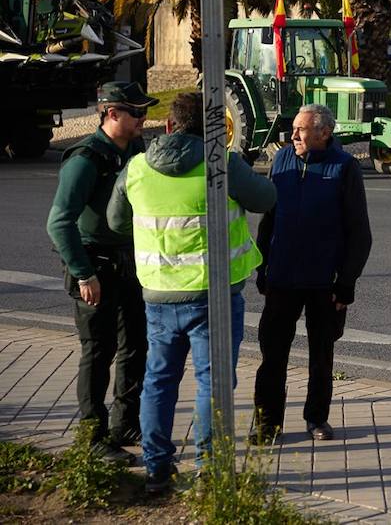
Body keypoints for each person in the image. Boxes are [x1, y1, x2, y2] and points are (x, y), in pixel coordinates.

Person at [107, 92, 276, 494]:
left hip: (159, 297)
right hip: (213, 298)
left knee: (158, 381)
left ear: (168, 126)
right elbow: (267, 199)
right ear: (215, 131)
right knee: (212, 383)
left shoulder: (136, 168)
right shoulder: (221, 164)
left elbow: (115, 221)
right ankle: (209, 471)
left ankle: (157, 468)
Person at [45, 82, 158, 463]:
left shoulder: (136, 150)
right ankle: (92, 437)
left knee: (135, 345)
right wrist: (82, 274)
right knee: (98, 351)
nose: (144, 119)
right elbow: (59, 223)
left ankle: (124, 424)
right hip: (94, 266)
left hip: (130, 263)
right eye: (136, 112)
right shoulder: (86, 158)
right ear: (112, 114)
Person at [252, 105, 372, 444]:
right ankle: (266, 424)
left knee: (321, 356)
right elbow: (268, 221)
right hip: (282, 278)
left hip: (324, 283)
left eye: (301, 130)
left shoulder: (345, 167)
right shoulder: (282, 161)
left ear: (323, 133)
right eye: (293, 129)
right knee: (272, 356)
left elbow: (359, 232)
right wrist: (263, 267)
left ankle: (317, 418)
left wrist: (346, 283)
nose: (292, 136)